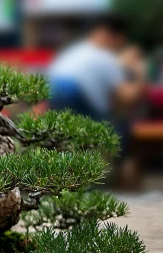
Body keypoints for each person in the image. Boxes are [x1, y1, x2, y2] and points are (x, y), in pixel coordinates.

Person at [47, 15, 147, 181]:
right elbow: (128, 97)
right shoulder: (105, 57)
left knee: (69, 139)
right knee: (120, 127)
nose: (120, 46)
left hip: (56, 95)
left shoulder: (75, 51)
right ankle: (123, 172)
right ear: (110, 35)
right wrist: (140, 72)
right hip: (76, 96)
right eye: (121, 41)